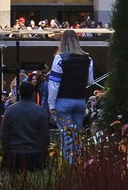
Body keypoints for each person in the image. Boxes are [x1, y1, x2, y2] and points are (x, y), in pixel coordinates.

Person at [46, 28, 95, 164]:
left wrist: (51, 105)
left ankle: (69, 166)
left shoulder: (59, 59)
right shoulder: (88, 59)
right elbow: (90, 81)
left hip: (63, 100)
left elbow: (54, 85)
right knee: (78, 133)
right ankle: (79, 162)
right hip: (80, 101)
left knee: (67, 135)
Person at [1, 79, 50, 174]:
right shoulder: (40, 110)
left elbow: (4, 134)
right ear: (33, 94)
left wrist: (6, 154)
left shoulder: (10, 110)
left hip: (15, 152)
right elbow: (45, 135)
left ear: (18, 92)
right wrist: (44, 155)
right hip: (35, 152)